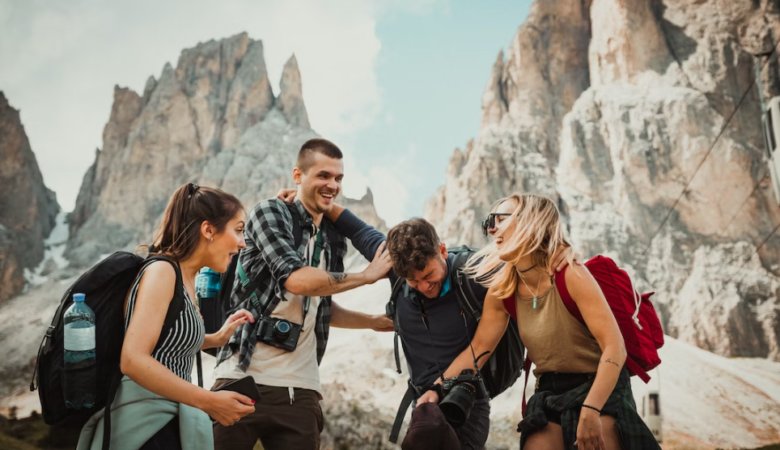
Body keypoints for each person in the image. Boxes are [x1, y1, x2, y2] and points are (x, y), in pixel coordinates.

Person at [273, 198, 570, 450]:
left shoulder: (474, 273)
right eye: (412, 281)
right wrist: (311, 200)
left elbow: (525, 258)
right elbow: (356, 228)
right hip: (423, 402)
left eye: (429, 276)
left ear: (442, 251)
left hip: (465, 399)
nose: (423, 286)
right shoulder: (397, 270)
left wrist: (560, 253)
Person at [212, 138, 394, 450]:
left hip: (302, 390)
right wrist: (365, 277)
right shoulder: (269, 213)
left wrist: (371, 321)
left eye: (338, 178)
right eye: (323, 175)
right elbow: (296, 281)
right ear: (298, 176)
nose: (333, 185)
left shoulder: (334, 237)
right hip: (241, 378)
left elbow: (318, 302)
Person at [438, 194, 660, 450]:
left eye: (501, 220)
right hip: (549, 391)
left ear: (530, 222)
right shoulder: (502, 292)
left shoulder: (571, 275)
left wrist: (591, 409)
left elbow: (615, 348)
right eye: (490, 221)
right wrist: (435, 389)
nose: (491, 228)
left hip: (600, 384)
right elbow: (477, 351)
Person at [78, 183, 258, 450]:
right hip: (143, 426)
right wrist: (209, 401)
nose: (242, 243)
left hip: (167, 419)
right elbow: (133, 360)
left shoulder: (185, 278)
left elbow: (166, 342)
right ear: (208, 230)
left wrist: (216, 338)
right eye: (238, 230)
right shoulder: (163, 271)